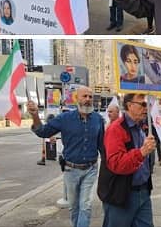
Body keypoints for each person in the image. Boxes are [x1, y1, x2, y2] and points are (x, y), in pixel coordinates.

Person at [27, 86, 104, 227]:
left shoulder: (98, 120)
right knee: (74, 207)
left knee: (85, 205)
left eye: (90, 97)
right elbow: (43, 132)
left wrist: (109, 164)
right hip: (71, 170)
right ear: (76, 98)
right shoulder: (65, 118)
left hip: (91, 169)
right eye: (84, 96)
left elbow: (101, 145)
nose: (87, 99)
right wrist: (35, 116)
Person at [99, 92, 157, 226]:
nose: (146, 108)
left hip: (143, 192)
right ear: (130, 105)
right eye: (142, 104)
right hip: (121, 194)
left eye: (147, 104)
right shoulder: (116, 129)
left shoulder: (140, 127)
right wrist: (142, 152)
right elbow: (116, 164)